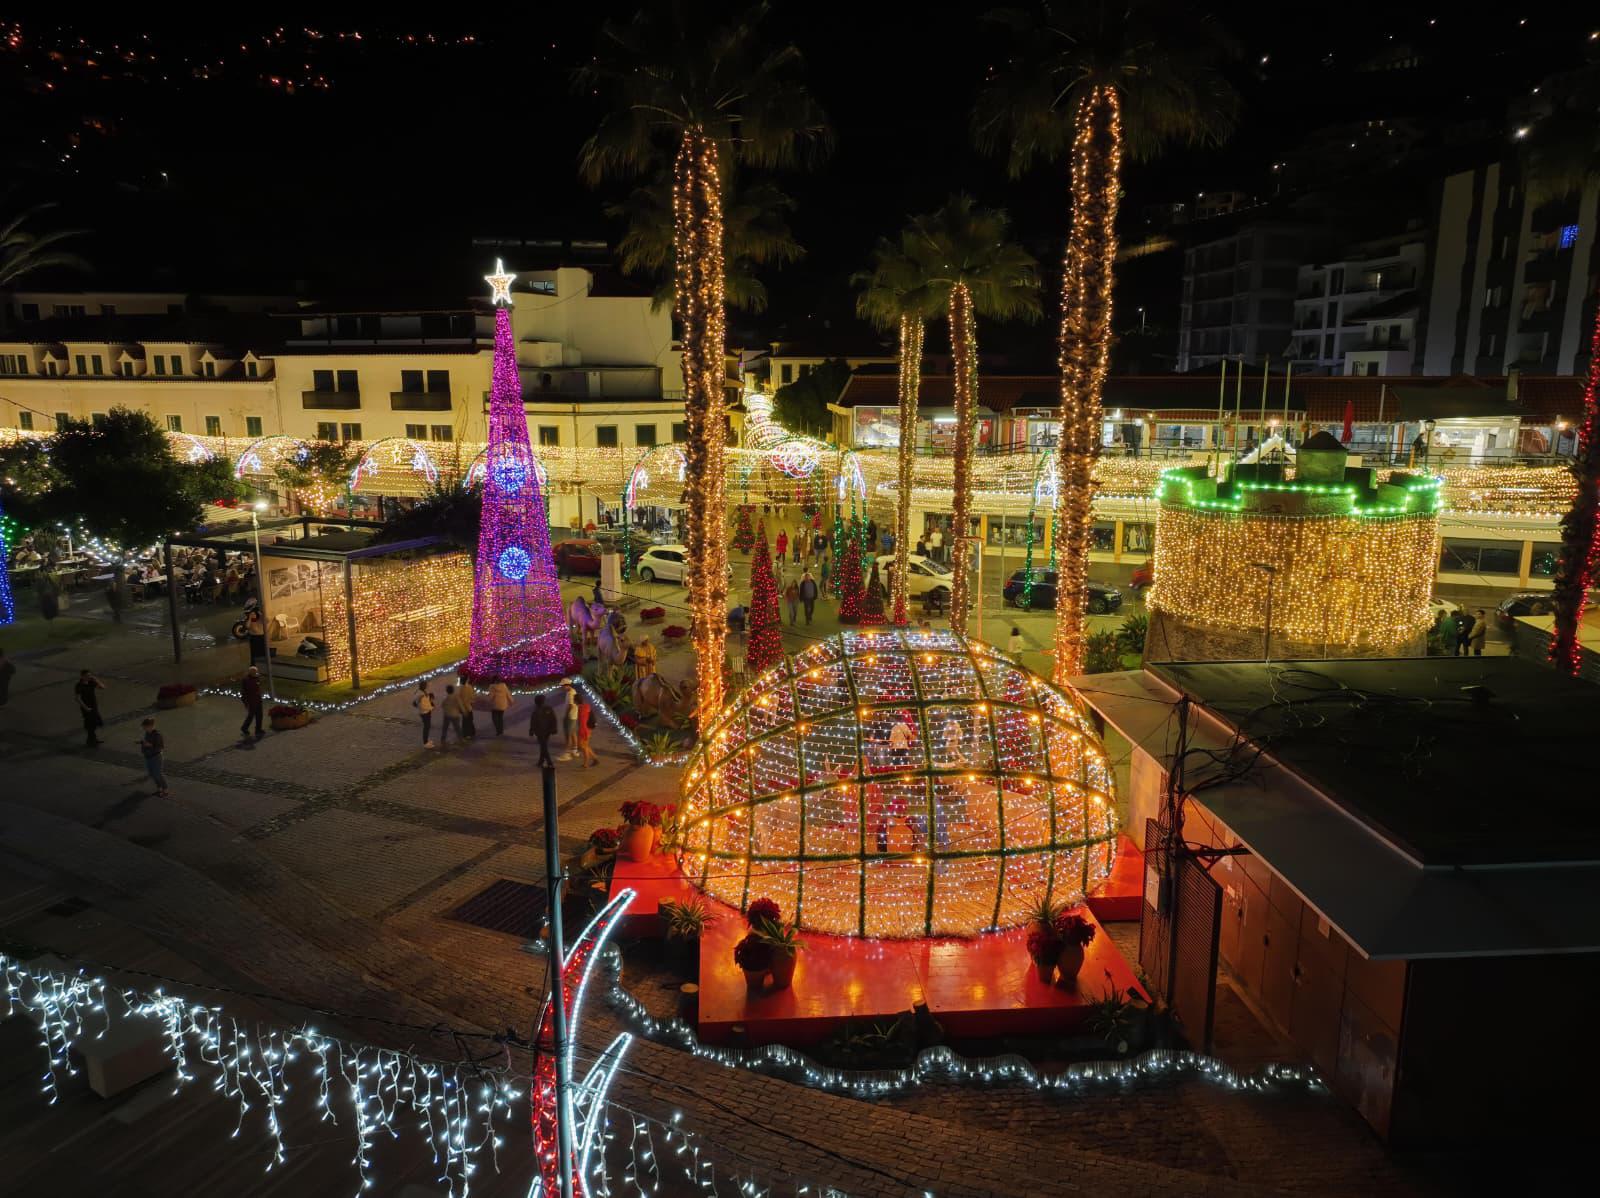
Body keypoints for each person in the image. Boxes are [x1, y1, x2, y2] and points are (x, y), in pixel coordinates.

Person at [138, 717, 169, 797]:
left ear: (151, 726)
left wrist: (150, 745)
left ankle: (165, 790)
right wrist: (143, 744)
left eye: (145, 727)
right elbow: (146, 743)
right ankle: (159, 789)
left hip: (156, 757)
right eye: (143, 727)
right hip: (148, 756)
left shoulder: (157, 735)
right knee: (152, 774)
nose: (144, 728)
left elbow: (161, 747)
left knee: (158, 774)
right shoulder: (147, 734)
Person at [75, 668, 105, 747]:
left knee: (94, 723)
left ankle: (92, 740)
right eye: (87, 675)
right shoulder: (79, 685)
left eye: (90, 675)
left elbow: (102, 687)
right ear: (82, 676)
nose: (89, 677)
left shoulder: (91, 682)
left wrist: (96, 679)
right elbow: (78, 698)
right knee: (90, 724)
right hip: (86, 708)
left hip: (94, 706)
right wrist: (86, 708)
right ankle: (91, 741)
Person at [529, 694, 558, 766]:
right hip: (547, 730)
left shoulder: (536, 710)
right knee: (543, 745)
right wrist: (554, 728)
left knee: (543, 746)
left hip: (540, 731)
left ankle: (549, 761)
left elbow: (533, 721)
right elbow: (553, 719)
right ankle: (541, 761)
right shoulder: (548, 708)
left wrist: (531, 730)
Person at [573, 694, 598, 767]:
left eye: (574, 700)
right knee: (585, 745)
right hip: (588, 728)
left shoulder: (581, 709)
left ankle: (587, 763)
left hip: (584, 730)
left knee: (582, 746)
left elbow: (582, 722)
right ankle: (594, 759)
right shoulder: (586, 706)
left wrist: (583, 732)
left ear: (576, 701)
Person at [239, 666, 264, 737]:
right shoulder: (247, 680)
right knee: (251, 715)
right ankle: (244, 728)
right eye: (255, 672)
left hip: (257, 700)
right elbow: (244, 692)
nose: (256, 673)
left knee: (259, 715)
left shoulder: (256, 678)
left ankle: (258, 729)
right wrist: (246, 702)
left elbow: (258, 686)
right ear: (251, 672)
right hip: (252, 701)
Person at [413, 680, 436, 748]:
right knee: (426, 727)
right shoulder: (421, 695)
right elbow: (423, 706)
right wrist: (431, 708)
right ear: (423, 686)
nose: (427, 686)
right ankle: (425, 743)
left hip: (425, 712)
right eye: (426, 685)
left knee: (427, 726)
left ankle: (426, 740)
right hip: (425, 713)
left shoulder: (420, 692)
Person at [560, 680, 579, 759]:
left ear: (567, 685)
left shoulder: (571, 693)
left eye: (563, 686)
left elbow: (570, 705)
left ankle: (567, 753)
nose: (562, 687)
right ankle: (574, 750)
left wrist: (566, 715)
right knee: (573, 733)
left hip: (570, 717)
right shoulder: (571, 692)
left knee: (568, 735)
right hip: (573, 716)